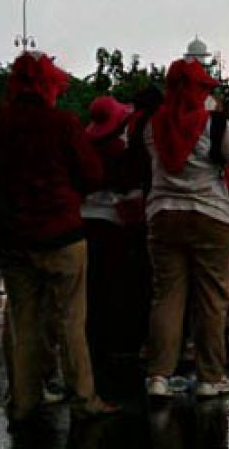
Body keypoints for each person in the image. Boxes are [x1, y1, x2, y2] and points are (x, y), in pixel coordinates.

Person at [0, 52, 119, 426]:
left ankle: (23, 402)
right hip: (62, 234)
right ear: (50, 86)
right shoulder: (62, 124)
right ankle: (84, 398)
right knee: (70, 322)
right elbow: (92, 173)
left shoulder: (0, 127)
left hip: (14, 238)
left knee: (23, 324)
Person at [142, 59, 229, 399]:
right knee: (211, 299)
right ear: (199, 91)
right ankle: (210, 377)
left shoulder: (152, 126)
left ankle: (159, 377)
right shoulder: (217, 126)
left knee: (167, 296)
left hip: (162, 215)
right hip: (211, 216)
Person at [80, 95, 143, 362]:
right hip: (112, 225)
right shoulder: (120, 153)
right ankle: (120, 343)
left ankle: (94, 343)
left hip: (83, 223)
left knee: (91, 289)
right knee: (115, 285)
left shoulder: (84, 150)